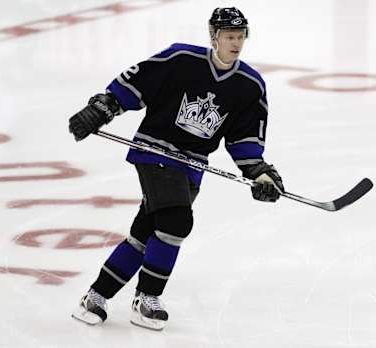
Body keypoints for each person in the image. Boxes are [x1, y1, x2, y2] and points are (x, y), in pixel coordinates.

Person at [68, 7, 284, 331]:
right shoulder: (182, 59)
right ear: (214, 36)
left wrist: (260, 173)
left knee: (146, 234)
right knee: (176, 221)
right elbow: (137, 83)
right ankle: (147, 298)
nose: (235, 43)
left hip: (192, 165)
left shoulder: (250, 85)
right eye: (229, 36)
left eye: (240, 37)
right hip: (153, 150)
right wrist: (105, 106)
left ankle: (96, 296)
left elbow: (244, 139)